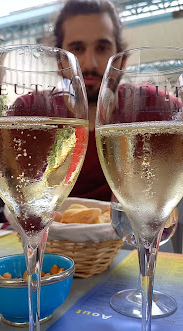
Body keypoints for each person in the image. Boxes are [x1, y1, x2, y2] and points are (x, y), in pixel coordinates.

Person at [53, 0, 125, 201]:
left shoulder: (154, 107)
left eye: (102, 48)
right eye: (77, 49)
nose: (90, 63)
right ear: (60, 62)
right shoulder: (28, 112)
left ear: (121, 60)